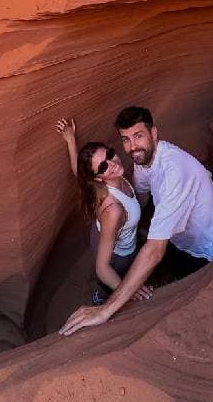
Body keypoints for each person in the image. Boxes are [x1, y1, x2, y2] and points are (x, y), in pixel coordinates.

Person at [59, 106, 213, 335]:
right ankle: (102, 298)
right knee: (122, 278)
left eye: (138, 136)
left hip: (205, 247)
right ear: (98, 177)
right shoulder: (118, 197)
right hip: (137, 247)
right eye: (126, 140)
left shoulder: (170, 173)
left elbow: (154, 247)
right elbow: (106, 263)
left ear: (154, 133)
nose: (132, 147)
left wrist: (106, 311)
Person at [54, 118, 153, 305]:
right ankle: (101, 297)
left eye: (109, 155)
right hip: (118, 254)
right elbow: (102, 268)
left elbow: (80, 174)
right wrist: (129, 288)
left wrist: (70, 141)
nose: (112, 163)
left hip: (103, 232)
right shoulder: (113, 210)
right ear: (98, 177)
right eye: (103, 167)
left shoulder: (104, 183)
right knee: (112, 280)